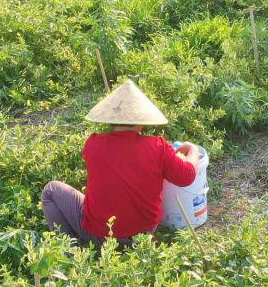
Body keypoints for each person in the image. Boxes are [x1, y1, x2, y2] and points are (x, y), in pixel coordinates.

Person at [42, 80, 200, 245]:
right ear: (141, 122)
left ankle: (69, 249)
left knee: (51, 190)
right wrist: (193, 149)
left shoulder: (93, 144)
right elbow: (187, 176)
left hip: (100, 235)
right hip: (142, 236)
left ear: (110, 119)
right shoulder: (157, 147)